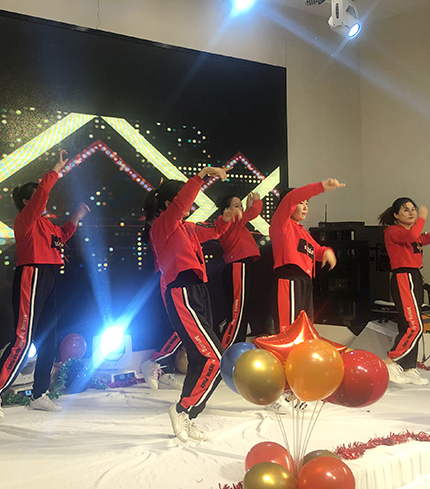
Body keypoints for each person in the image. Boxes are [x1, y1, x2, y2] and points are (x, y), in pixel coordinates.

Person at [0, 150, 89, 419]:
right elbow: (42, 194)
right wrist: (56, 169)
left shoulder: (46, 224)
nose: (44, 201)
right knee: (23, 339)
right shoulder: (26, 220)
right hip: (32, 274)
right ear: (26, 202)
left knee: (48, 340)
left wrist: (75, 218)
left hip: (50, 275)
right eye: (38, 198)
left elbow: (62, 235)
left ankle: (39, 394)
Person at [143, 166, 236, 442]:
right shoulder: (162, 225)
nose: (189, 207)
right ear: (169, 204)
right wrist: (202, 175)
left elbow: (214, 231)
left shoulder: (188, 228)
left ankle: (188, 415)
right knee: (214, 358)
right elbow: (181, 203)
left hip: (197, 291)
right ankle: (182, 409)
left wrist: (225, 220)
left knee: (203, 359)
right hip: (181, 292)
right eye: (181, 201)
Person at [378, 198, 430, 386]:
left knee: (408, 324)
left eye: (413, 209)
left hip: (414, 276)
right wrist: (422, 217)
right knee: (415, 326)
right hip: (404, 276)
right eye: (406, 210)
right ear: (396, 215)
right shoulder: (393, 231)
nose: (411, 212)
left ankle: (408, 367)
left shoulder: (409, 232)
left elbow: (424, 239)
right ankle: (390, 361)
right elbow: (413, 235)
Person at [270, 180, 345, 332]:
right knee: (289, 330)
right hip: (290, 279)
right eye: (301, 203)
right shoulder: (281, 224)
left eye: (307, 203)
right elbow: (290, 198)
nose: (305, 207)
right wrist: (320, 187)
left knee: (305, 328)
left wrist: (326, 252)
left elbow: (316, 250)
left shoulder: (302, 231)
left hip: (305, 282)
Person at [218, 192, 262, 348]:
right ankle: (229, 347)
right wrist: (256, 201)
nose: (241, 209)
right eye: (237, 206)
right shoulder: (228, 221)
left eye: (241, 206)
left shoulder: (236, 224)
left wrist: (247, 208)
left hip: (242, 266)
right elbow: (254, 212)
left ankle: (236, 346)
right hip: (238, 266)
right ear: (226, 210)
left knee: (241, 310)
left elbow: (248, 214)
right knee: (238, 312)